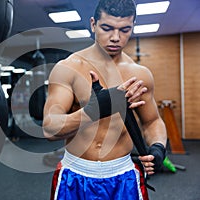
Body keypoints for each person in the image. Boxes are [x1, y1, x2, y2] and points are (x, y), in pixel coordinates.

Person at [42, 0, 167, 199]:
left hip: (122, 175)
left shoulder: (140, 74)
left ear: (132, 27)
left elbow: (152, 121)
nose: (116, 38)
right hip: (75, 175)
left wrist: (158, 147)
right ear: (93, 24)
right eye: (107, 28)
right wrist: (93, 110)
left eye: (124, 30)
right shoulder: (68, 68)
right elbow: (50, 127)